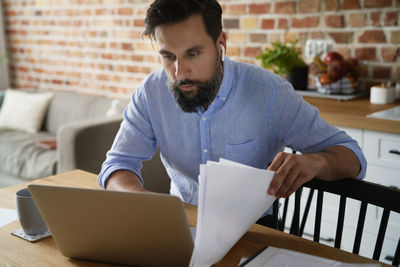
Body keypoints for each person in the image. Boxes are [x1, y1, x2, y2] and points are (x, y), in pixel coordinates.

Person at [98, 0, 366, 227]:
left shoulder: (271, 94)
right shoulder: (151, 93)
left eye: (193, 54)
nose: (180, 73)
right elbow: (117, 165)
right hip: (182, 226)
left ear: (220, 44)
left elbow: (352, 156)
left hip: (254, 231)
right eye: (168, 56)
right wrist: (142, 200)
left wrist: (316, 162)